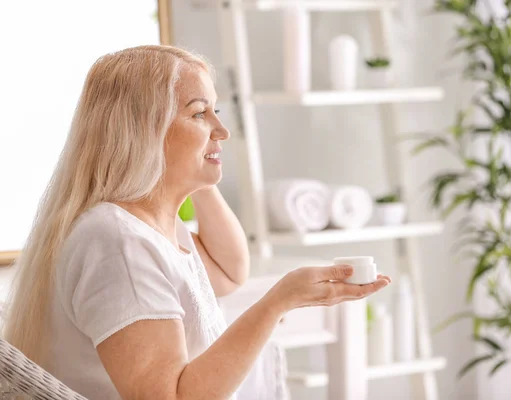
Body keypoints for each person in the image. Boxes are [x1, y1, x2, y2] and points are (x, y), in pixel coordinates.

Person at [3, 45, 390, 400]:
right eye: (200, 113)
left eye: (215, 112)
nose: (221, 131)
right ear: (144, 129)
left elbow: (230, 270)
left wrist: (195, 171)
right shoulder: (118, 241)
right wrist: (278, 300)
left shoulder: (152, 225)